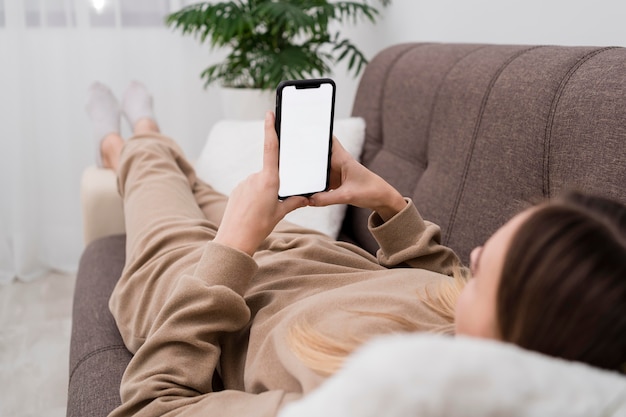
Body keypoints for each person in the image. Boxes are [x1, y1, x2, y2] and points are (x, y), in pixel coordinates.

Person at [86, 81, 626, 417]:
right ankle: (140, 143)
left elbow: (154, 406)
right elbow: (448, 283)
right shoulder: (478, 328)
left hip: (194, 283)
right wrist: (387, 200)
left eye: (486, 273)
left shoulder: (358, 400)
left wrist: (234, 244)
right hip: (287, 244)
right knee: (205, 188)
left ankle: (127, 138)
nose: (474, 256)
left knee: (152, 172)